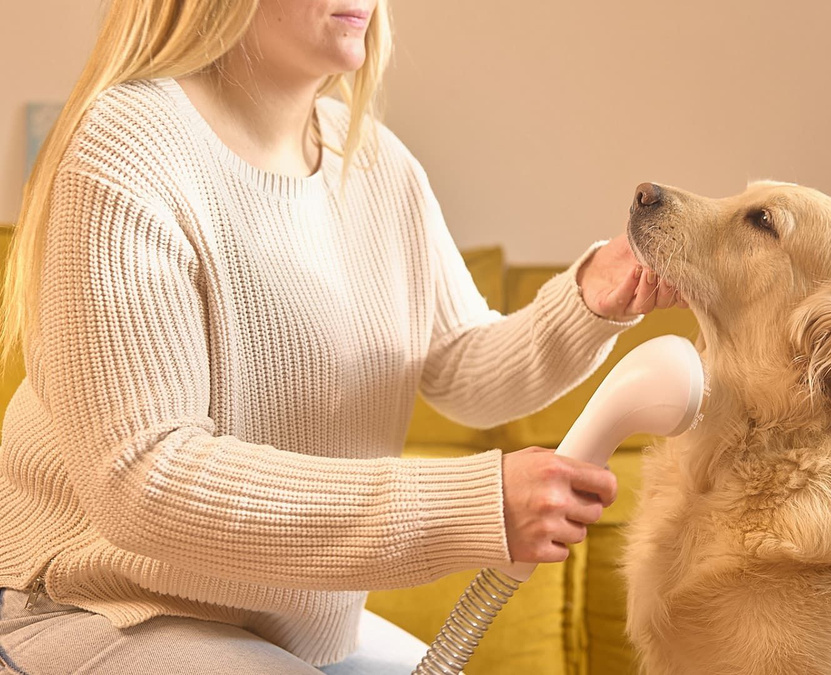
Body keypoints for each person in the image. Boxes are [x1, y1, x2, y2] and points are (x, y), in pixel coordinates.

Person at [0, 1, 685, 672]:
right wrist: (475, 503)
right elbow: (145, 476)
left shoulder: (376, 164)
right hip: (91, 606)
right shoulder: (127, 148)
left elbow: (462, 367)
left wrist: (593, 295)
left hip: (287, 632)